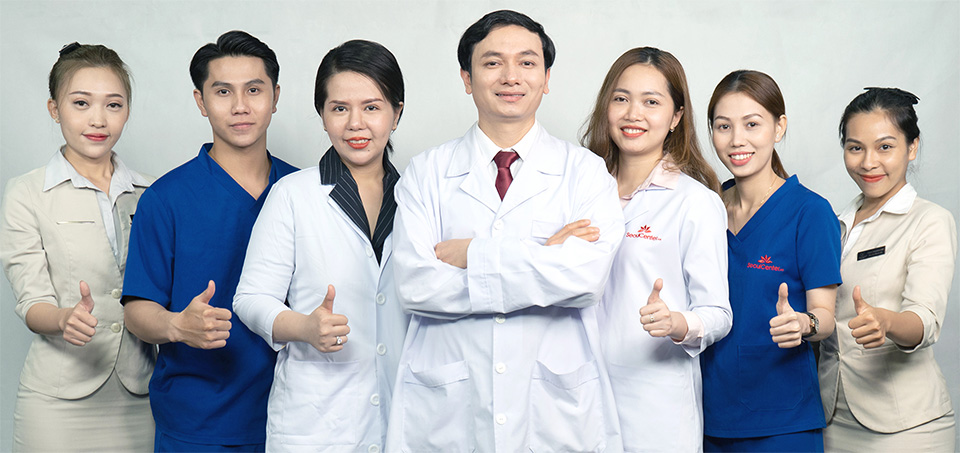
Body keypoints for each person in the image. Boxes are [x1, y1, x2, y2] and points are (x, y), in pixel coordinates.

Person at [385, 9, 626, 452]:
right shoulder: (426, 173)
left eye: (527, 62)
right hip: (449, 409)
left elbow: (585, 279)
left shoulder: (585, 172)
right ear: (466, 77)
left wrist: (473, 254)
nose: (511, 76)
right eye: (493, 62)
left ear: (546, 78)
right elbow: (417, 285)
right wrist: (544, 253)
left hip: (554, 410)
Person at [121, 31, 297, 451]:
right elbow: (137, 310)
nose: (240, 106)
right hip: (199, 425)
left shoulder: (302, 190)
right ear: (201, 101)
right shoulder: (166, 199)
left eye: (254, 90)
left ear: (275, 96)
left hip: (296, 416)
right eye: (222, 92)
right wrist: (176, 325)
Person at [233, 39, 409, 452]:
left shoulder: (419, 196)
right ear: (322, 115)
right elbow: (251, 298)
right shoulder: (293, 194)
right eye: (339, 108)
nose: (355, 124)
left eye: (372, 107)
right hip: (318, 423)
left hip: (403, 415)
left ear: (396, 113)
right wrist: (304, 328)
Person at [0, 42, 155, 451]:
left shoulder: (152, 193)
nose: (98, 120)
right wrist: (62, 318)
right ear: (55, 109)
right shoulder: (27, 193)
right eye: (81, 103)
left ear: (127, 110)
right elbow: (32, 301)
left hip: (142, 394)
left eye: (114, 105)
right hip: (56, 400)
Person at [582, 47, 731, 452]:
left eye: (651, 102)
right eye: (621, 98)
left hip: (654, 405)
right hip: (578, 395)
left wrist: (677, 323)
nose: (633, 114)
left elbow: (718, 313)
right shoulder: (580, 190)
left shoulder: (694, 202)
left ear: (676, 117)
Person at [699, 70, 841, 452]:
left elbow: (825, 316)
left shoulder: (809, 212)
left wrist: (804, 323)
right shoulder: (705, 207)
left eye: (752, 124)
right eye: (723, 126)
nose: (737, 139)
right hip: (708, 414)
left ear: (779, 127)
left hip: (783, 423)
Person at [818, 88, 956, 452]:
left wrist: (887, 322)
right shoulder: (834, 223)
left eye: (885, 147)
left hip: (906, 427)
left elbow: (925, 320)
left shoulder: (929, 221)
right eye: (855, 148)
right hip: (831, 417)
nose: (868, 162)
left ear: (912, 148)